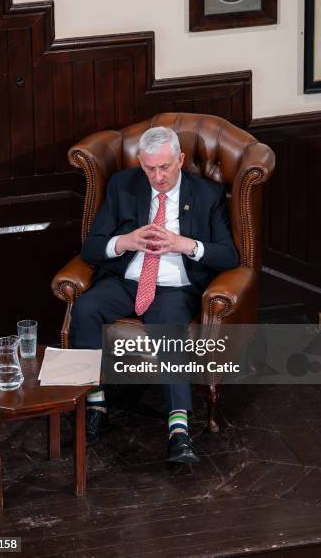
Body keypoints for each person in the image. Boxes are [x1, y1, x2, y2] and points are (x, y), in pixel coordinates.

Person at [70, 126, 239, 464]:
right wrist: (125, 242)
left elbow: (229, 256)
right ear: (140, 162)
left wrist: (184, 245)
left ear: (179, 160)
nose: (158, 177)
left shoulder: (207, 194)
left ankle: (179, 431)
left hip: (175, 286)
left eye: (164, 167)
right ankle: (95, 404)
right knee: (85, 307)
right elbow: (90, 248)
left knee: (170, 327)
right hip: (126, 279)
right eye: (150, 168)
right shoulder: (123, 185)